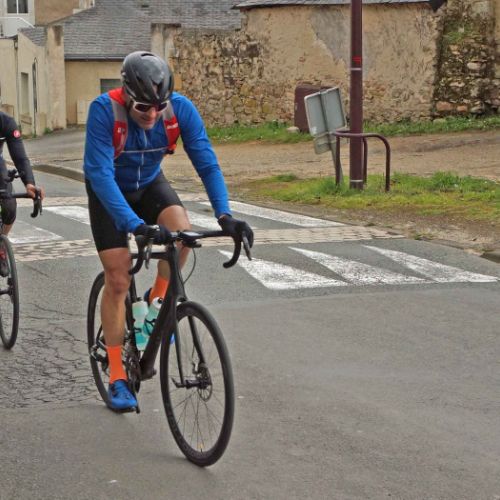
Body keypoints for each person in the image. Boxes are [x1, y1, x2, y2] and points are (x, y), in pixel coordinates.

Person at [83, 51, 254, 412]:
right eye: (143, 107)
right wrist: (135, 225)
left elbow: (207, 163)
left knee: (182, 234)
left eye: (159, 107)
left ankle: (157, 303)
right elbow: (99, 174)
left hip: (149, 183)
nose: (152, 114)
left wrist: (225, 215)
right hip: (109, 191)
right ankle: (117, 376)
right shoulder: (104, 111)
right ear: (126, 95)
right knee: (118, 277)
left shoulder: (180, 110)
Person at [0, 109, 45, 275]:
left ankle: (1, 245)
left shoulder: (6, 122)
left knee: (9, 206)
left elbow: (20, 158)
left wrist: (29, 183)